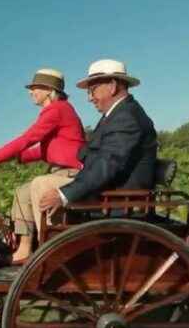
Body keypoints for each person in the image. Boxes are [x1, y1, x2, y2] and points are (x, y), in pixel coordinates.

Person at [0, 68, 85, 264]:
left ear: (49, 90)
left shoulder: (57, 109)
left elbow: (29, 138)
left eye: (35, 88)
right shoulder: (59, 110)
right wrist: (17, 157)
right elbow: (46, 148)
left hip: (71, 172)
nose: (31, 92)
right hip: (61, 170)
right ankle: (23, 250)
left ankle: (48, 246)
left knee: (38, 184)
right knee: (22, 192)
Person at [39, 59, 158, 217]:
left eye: (92, 90)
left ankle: (52, 238)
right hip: (106, 191)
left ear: (112, 86)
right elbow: (91, 155)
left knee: (42, 185)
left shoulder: (127, 117)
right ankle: (26, 241)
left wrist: (63, 195)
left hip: (120, 200)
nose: (89, 98)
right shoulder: (114, 115)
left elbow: (107, 164)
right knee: (29, 190)